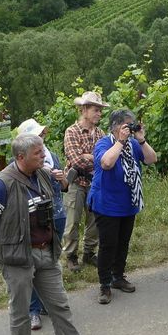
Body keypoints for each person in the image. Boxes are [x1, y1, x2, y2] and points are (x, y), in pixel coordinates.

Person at [0, 133, 104, 335]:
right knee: (21, 313)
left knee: (60, 306)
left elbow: (59, 195)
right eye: (38, 153)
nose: (44, 156)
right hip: (18, 259)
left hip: (47, 252)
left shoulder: (42, 175)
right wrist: (11, 243)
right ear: (20, 157)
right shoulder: (1, 184)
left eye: (42, 151)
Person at [89, 108, 158, 304]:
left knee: (123, 243)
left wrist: (141, 139)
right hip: (106, 204)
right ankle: (104, 284)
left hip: (128, 202)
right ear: (116, 127)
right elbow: (106, 163)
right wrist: (120, 141)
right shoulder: (103, 143)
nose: (130, 128)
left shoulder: (134, 144)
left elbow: (152, 159)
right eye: (127, 125)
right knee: (108, 245)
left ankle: (118, 277)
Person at [27, 122, 69, 330]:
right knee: (33, 265)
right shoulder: (20, 162)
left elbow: (64, 187)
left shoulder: (52, 155)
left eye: (42, 133)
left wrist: (62, 179)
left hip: (57, 214)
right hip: (35, 221)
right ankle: (33, 310)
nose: (42, 136)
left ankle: (47, 304)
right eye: (38, 134)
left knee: (51, 260)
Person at [62, 91, 107, 272]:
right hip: (75, 182)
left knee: (94, 220)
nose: (99, 113)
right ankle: (71, 256)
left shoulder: (100, 133)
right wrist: (95, 158)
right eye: (96, 110)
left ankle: (89, 253)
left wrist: (90, 156)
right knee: (72, 221)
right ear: (84, 110)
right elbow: (76, 160)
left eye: (100, 110)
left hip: (94, 183)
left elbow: (105, 159)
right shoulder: (71, 132)